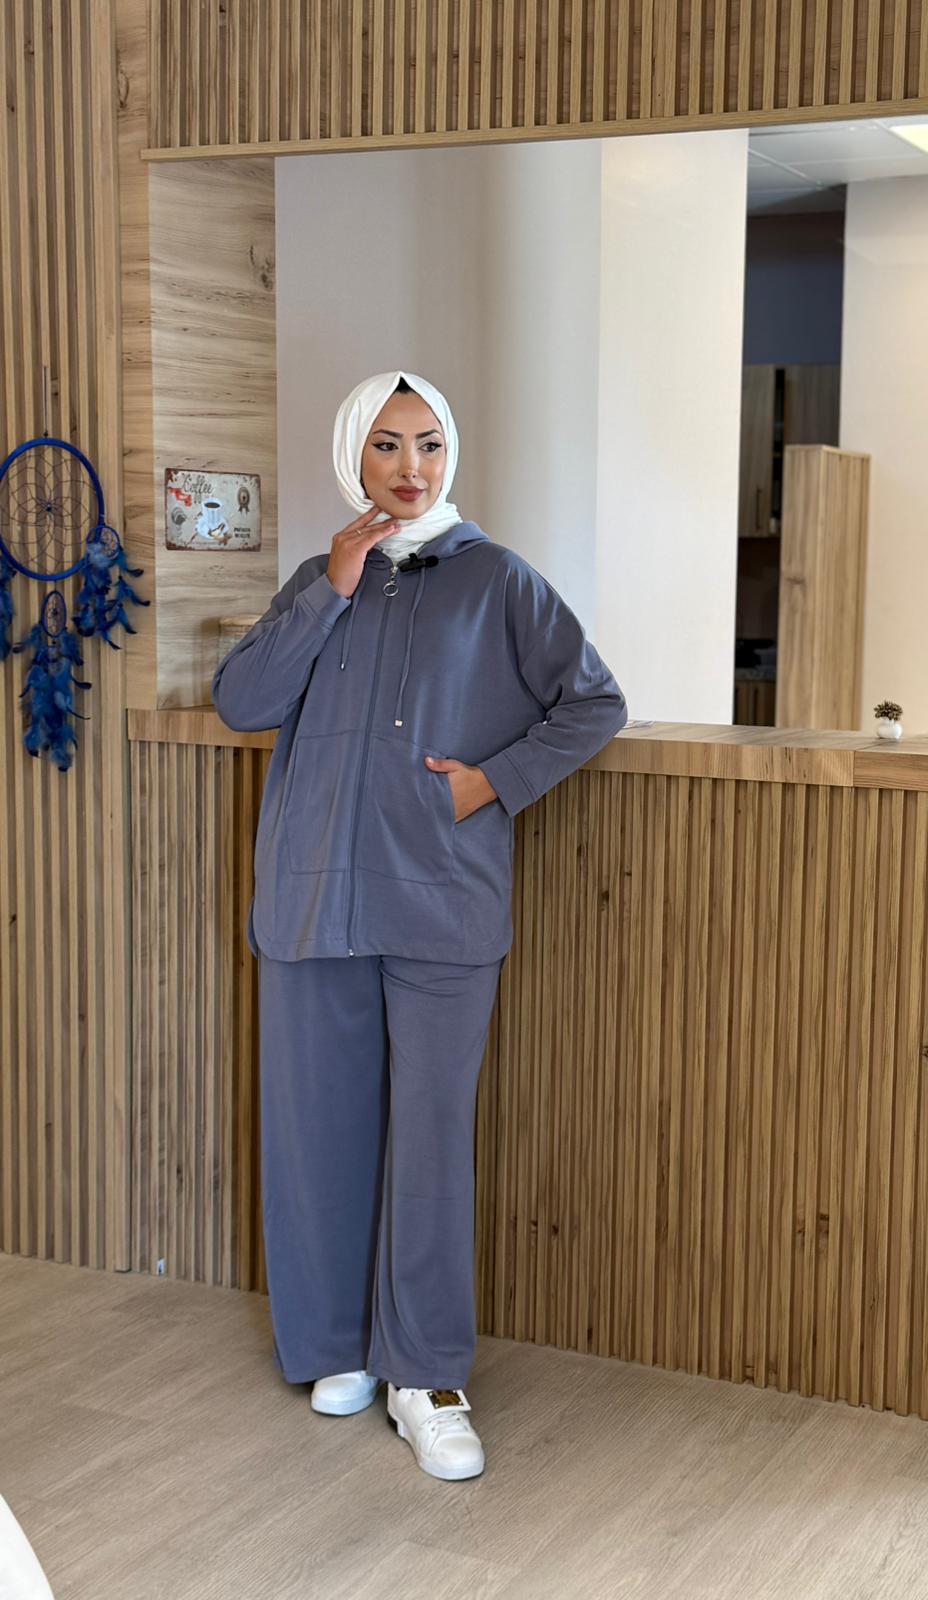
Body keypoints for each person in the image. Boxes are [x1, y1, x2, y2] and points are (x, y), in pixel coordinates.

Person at [211, 369, 628, 1481]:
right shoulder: (321, 578)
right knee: (320, 1133)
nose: (411, 468)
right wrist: (331, 589)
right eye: (388, 445)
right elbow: (243, 702)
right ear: (354, 455)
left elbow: (594, 702)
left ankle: (427, 1374)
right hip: (314, 898)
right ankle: (337, 1346)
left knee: (430, 1141)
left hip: (441, 897)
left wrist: (490, 783)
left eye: (429, 444)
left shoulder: (499, 580)